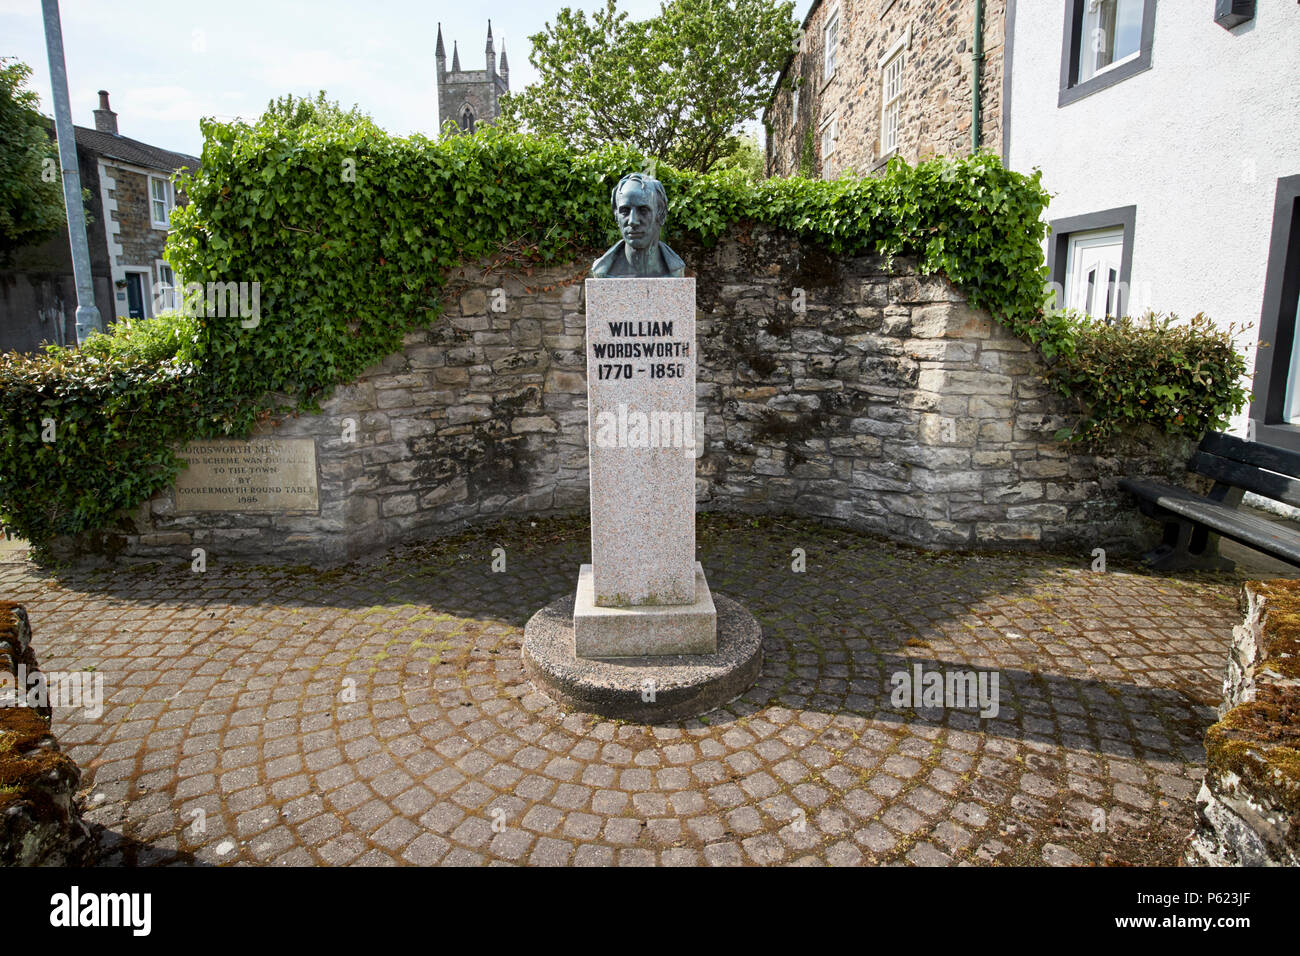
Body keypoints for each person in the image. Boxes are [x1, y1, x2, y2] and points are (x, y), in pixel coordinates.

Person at [590, 172, 686, 278]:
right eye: (625, 211)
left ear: (661, 215)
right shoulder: (602, 272)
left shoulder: (675, 271)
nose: (633, 221)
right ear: (616, 216)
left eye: (643, 210)